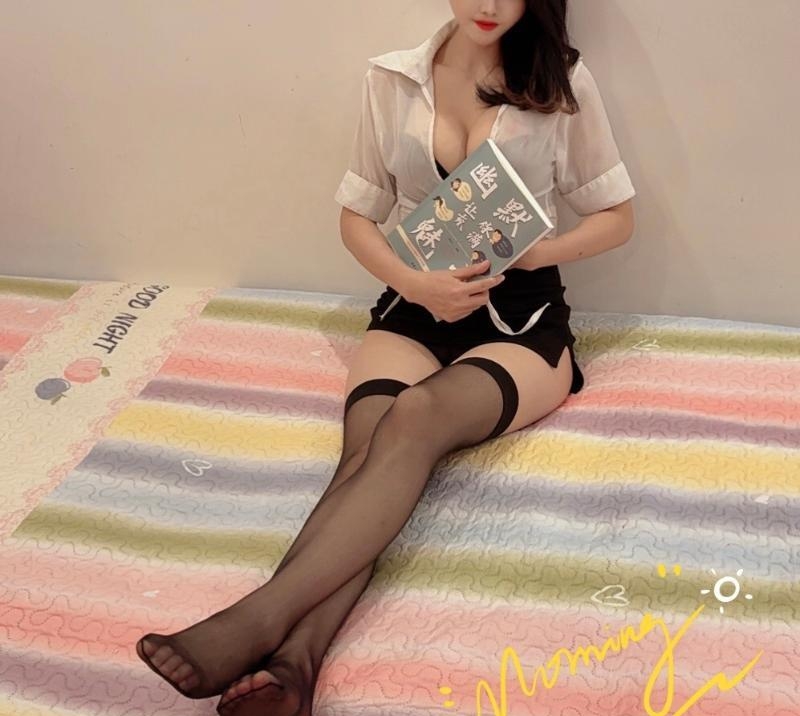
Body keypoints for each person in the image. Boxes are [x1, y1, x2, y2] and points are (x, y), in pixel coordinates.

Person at [134, 1, 636, 714]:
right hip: (414, 301)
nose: (489, 6)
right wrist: (414, 283)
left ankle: (254, 621)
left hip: (521, 322)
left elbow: (617, 218)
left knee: (416, 415)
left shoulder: (562, 80)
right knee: (365, 450)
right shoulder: (392, 79)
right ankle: (294, 669)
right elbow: (358, 216)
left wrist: (533, 252)